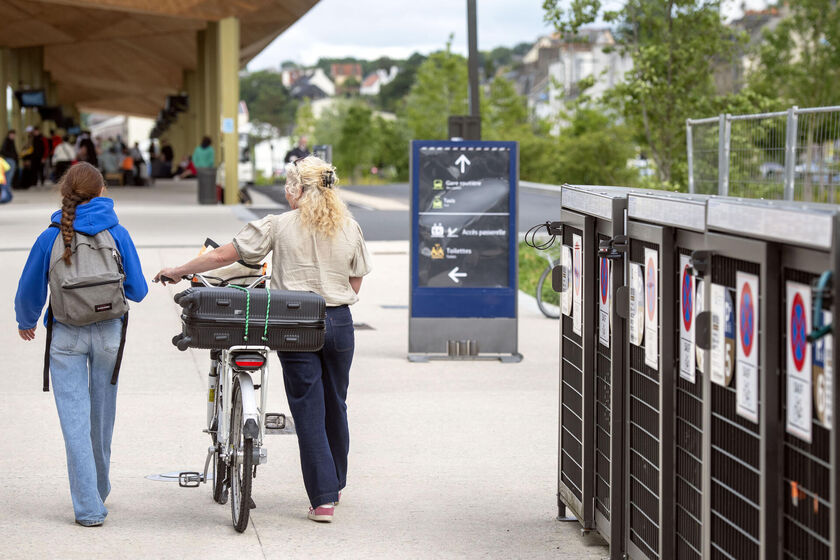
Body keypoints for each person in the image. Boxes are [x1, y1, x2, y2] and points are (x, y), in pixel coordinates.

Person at [154, 156, 371, 523]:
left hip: (295, 324)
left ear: (298, 190)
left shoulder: (279, 225)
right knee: (336, 403)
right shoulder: (349, 226)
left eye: (289, 187)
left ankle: (323, 499)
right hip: (339, 323)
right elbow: (356, 280)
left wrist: (178, 271)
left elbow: (222, 256)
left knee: (309, 410)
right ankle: (335, 483)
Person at [15, 162, 148, 526]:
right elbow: (137, 290)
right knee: (101, 417)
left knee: (75, 422)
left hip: (66, 335)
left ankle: (89, 507)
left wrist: (26, 321)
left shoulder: (51, 236)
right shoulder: (117, 232)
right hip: (108, 335)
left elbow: (29, 291)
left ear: (65, 193)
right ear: (102, 192)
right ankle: (99, 488)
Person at [1, 129, 17, 195]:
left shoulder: (11, 141)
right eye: (12, 135)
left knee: (9, 175)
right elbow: (3, 151)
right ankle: (6, 188)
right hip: (8, 160)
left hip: (11, 159)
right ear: (9, 134)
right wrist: (11, 156)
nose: (13, 136)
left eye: (14, 135)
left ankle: (6, 187)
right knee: (8, 175)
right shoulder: (7, 141)